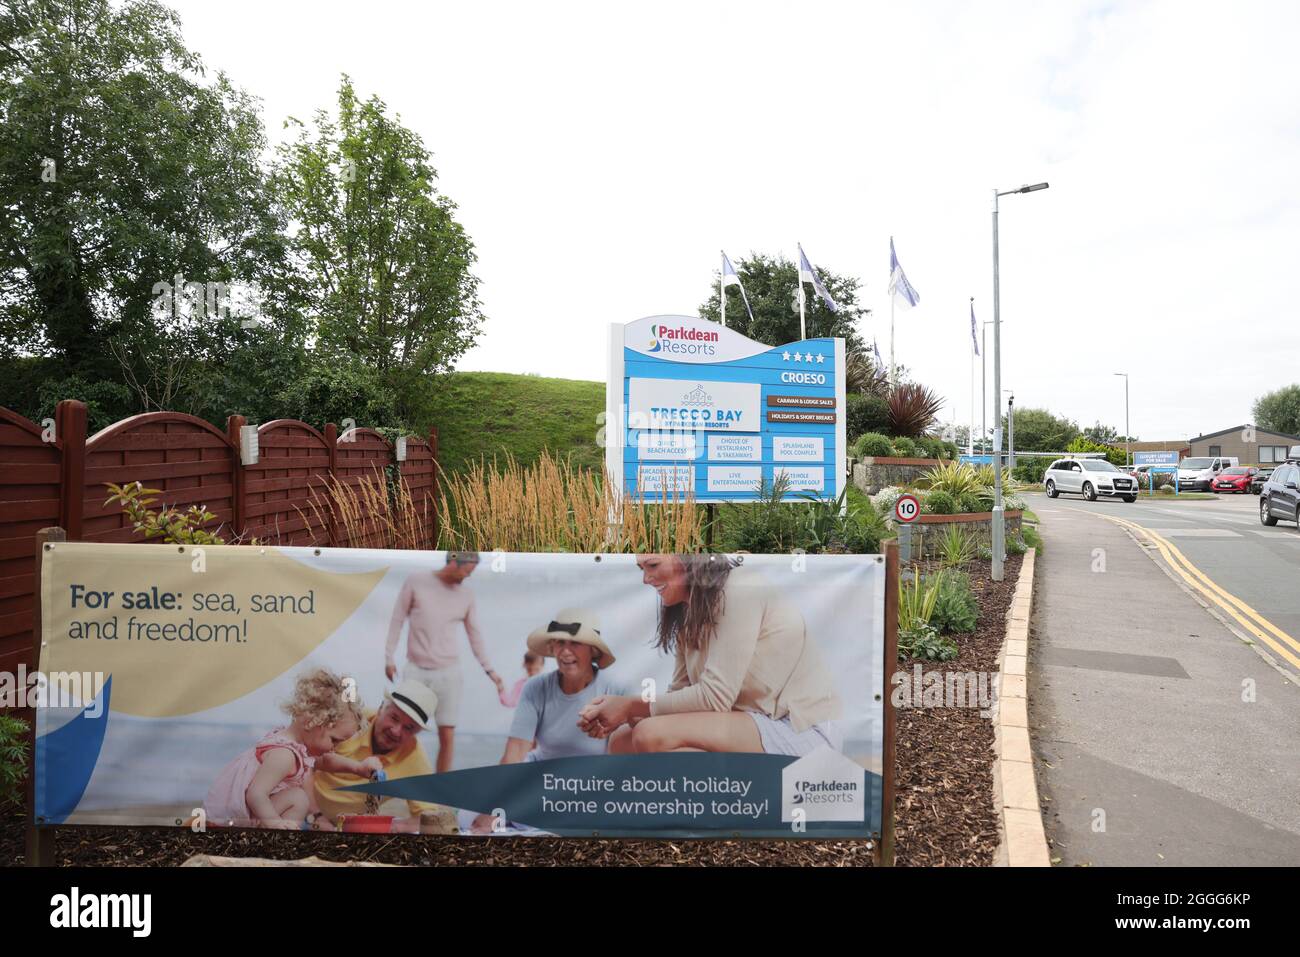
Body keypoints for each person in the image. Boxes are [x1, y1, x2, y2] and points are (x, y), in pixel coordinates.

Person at [578, 554, 841, 755]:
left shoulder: (741, 587)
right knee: (622, 739)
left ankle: (715, 814)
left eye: (653, 565)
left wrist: (630, 706)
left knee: (650, 734)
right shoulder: (688, 610)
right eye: (642, 569)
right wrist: (627, 715)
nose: (646, 579)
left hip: (798, 728)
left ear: (689, 558)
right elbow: (680, 692)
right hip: (747, 721)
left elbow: (715, 697)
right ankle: (655, 819)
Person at [468, 609, 624, 834]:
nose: (565, 651)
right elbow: (516, 749)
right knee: (471, 811)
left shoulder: (615, 690)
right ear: (552, 648)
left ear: (593, 650)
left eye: (575, 643)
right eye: (559, 643)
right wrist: (494, 807)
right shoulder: (535, 687)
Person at [385, 551, 504, 772]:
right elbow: (397, 619)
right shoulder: (417, 581)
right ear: (452, 561)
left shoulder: (466, 595)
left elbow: (474, 635)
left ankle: (440, 788)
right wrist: (389, 657)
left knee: (447, 734)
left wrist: (491, 671)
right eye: (466, 571)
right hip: (416, 671)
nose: (467, 577)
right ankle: (397, 781)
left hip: (449, 673)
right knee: (404, 729)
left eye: (471, 573)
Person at [204, 669, 364, 829]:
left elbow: (326, 762)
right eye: (334, 740)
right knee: (298, 799)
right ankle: (279, 841)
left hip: (240, 815)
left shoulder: (293, 745)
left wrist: (358, 768)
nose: (334, 749)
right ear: (314, 721)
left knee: (297, 797)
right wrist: (277, 824)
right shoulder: (284, 755)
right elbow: (255, 795)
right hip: (226, 822)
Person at [311, 679, 450, 833]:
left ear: (417, 733)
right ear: (380, 709)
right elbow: (304, 761)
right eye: (394, 718)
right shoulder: (350, 721)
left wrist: (391, 826)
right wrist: (315, 815)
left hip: (345, 831)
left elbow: (429, 818)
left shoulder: (415, 759)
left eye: (409, 728)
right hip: (301, 810)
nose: (396, 731)